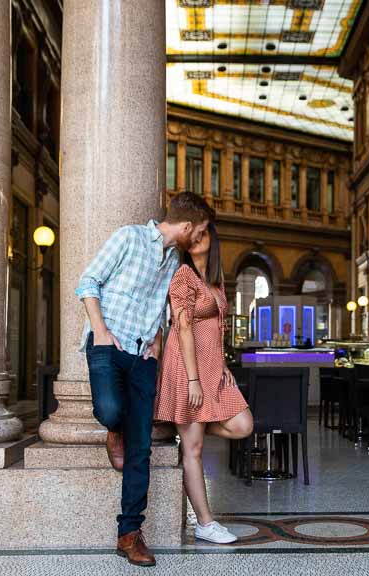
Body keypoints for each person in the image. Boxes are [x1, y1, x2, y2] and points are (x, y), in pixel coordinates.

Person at [76, 191, 213, 567]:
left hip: (142, 358)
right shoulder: (128, 237)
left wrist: (155, 344)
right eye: (199, 231)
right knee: (108, 410)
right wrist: (100, 332)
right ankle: (113, 429)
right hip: (107, 345)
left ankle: (129, 533)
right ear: (186, 226)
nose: (199, 237)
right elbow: (87, 282)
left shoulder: (173, 261)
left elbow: (162, 310)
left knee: (141, 450)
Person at [155, 221, 253, 545]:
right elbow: (183, 328)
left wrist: (222, 364)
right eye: (193, 233)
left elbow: (217, 329)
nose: (198, 237)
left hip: (212, 368)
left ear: (212, 238)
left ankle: (182, 422)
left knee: (243, 424)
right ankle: (205, 523)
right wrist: (194, 380)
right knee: (193, 449)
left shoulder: (215, 281)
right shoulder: (183, 275)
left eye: (204, 232)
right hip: (187, 368)